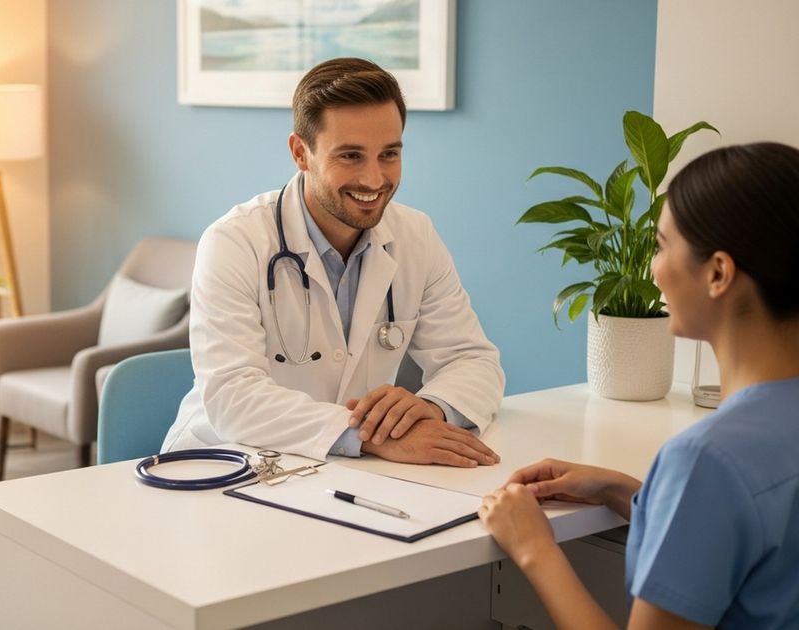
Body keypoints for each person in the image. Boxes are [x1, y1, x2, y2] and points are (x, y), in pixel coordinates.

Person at [479, 142, 799, 629]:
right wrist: (626, 492)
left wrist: (532, 548)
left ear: (717, 273)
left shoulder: (709, 459)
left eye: (662, 245)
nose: (653, 269)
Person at [161, 57, 505, 465]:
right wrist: (369, 435)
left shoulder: (416, 236)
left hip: (346, 472)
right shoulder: (235, 242)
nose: (374, 180)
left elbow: (473, 360)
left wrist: (427, 409)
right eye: (350, 156)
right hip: (229, 466)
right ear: (300, 153)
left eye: (389, 154)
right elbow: (233, 397)